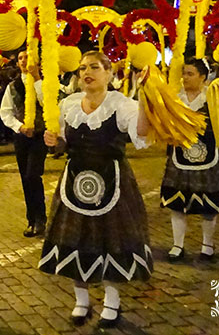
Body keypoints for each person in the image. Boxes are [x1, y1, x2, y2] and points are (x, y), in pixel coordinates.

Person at [39, 51, 152, 328]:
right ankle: (82, 300)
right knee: (75, 239)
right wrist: (52, 140)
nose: (86, 73)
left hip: (113, 181)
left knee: (110, 239)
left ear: (109, 72)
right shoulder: (69, 103)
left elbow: (141, 134)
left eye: (94, 67)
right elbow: (62, 143)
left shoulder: (121, 104)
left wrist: (147, 100)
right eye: (81, 69)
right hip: (75, 182)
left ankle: (112, 302)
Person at [159, 58, 219, 262]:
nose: (185, 78)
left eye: (190, 74)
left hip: (209, 154)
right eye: (184, 73)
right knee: (177, 202)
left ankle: (207, 244)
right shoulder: (176, 98)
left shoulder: (212, 98)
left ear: (202, 77)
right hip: (181, 155)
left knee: (209, 202)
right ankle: (177, 245)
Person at [0, 50, 48, 237]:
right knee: (25, 178)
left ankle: (40, 217)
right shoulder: (13, 86)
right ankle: (32, 219)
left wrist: (36, 79)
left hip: (39, 135)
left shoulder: (44, 82)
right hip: (21, 137)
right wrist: (19, 127)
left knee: (33, 175)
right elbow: (6, 112)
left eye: (27, 57)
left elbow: (48, 103)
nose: (23, 61)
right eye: (20, 58)